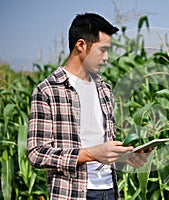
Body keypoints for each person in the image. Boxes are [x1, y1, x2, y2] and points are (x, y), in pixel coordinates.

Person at [27, 13, 149, 200]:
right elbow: (36, 154)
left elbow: (103, 148)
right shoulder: (48, 91)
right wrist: (91, 154)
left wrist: (127, 158)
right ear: (81, 45)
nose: (107, 57)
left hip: (109, 190)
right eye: (102, 50)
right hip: (73, 193)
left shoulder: (105, 90)